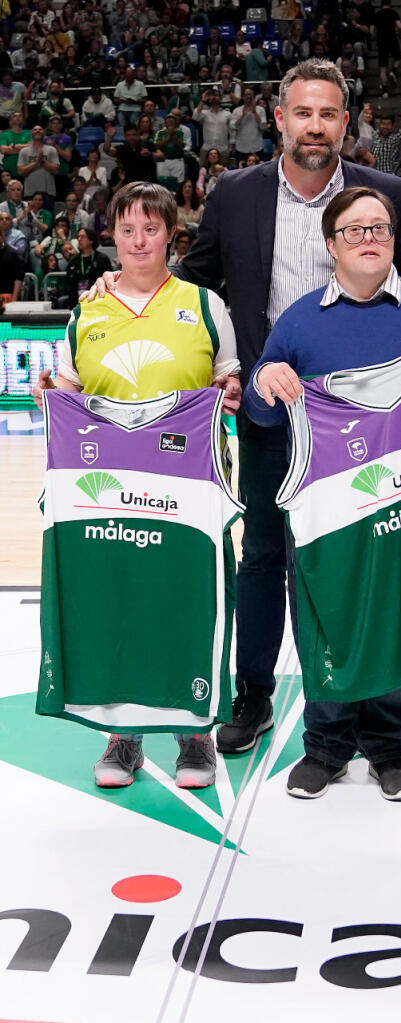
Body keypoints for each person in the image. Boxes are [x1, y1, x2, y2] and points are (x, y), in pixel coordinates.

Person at [86, 60, 401, 757]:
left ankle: (371, 703)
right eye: (302, 113)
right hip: (272, 410)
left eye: (327, 114)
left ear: (344, 124)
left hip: (371, 424)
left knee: (366, 556)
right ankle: (252, 695)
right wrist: (123, 279)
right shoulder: (236, 193)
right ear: (279, 119)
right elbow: (193, 279)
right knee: (262, 557)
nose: (314, 126)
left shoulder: (385, 193)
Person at [245, 186, 401, 799]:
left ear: (394, 240)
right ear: (331, 245)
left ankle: (390, 746)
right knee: (326, 617)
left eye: (380, 228)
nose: (369, 237)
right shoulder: (298, 321)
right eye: (355, 229)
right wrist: (264, 379)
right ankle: (325, 745)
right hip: (326, 504)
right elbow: (260, 413)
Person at [34, 181, 241, 788]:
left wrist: (227, 392)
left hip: (191, 485)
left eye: (151, 229)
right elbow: (69, 392)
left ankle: (194, 733)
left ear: (170, 235)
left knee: (188, 599)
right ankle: (123, 738)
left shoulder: (204, 305)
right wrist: (55, 395)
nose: (139, 240)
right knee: (119, 599)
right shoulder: (87, 310)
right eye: (127, 230)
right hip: (109, 486)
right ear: (113, 237)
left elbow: (229, 378)